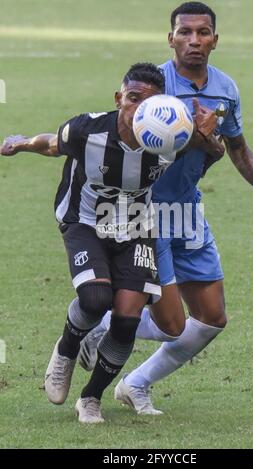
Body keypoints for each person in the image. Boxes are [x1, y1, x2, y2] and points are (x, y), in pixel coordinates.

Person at [78, 1, 253, 416]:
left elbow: (233, 150)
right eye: (185, 32)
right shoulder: (152, 89)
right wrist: (195, 139)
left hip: (188, 210)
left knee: (212, 317)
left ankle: (135, 384)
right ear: (171, 38)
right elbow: (130, 149)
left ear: (215, 40)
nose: (193, 40)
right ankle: (104, 327)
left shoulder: (225, 89)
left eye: (202, 33)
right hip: (146, 212)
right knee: (169, 324)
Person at [0, 62, 218, 423]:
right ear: (119, 98)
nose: (136, 108)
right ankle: (67, 349)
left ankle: (91, 398)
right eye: (131, 98)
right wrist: (20, 143)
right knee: (96, 298)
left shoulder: (171, 135)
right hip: (85, 222)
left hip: (136, 228)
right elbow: (51, 144)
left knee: (126, 319)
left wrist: (211, 140)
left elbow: (208, 149)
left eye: (147, 102)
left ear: (159, 105)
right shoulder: (87, 130)